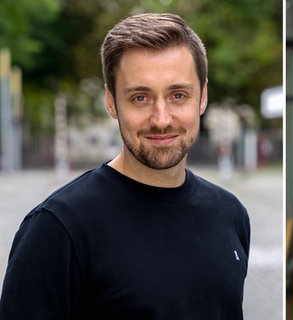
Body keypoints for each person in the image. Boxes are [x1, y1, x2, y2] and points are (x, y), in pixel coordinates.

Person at [0, 13, 250, 319]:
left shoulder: (231, 214)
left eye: (178, 95)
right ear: (111, 101)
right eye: (140, 97)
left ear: (203, 96)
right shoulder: (58, 229)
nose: (161, 119)